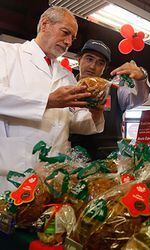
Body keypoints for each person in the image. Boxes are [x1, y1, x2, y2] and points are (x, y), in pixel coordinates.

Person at [0, 7, 105, 192]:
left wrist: (95, 114)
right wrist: (48, 101)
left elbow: (72, 122)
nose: (68, 42)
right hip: (13, 170)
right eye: (65, 33)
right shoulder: (6, 54)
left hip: (54, 173)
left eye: (72, 38)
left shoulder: (66, 76)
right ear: (44, 24)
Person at [70, 39, 150, 159]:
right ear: (79, 60)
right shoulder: (66, 88)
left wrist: (141, 76)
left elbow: (139, 98)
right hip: (73, 162)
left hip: (109, 164)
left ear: (104, 68)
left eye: (100, 63)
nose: (93, 66)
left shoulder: (114, 89)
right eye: (89, 59)